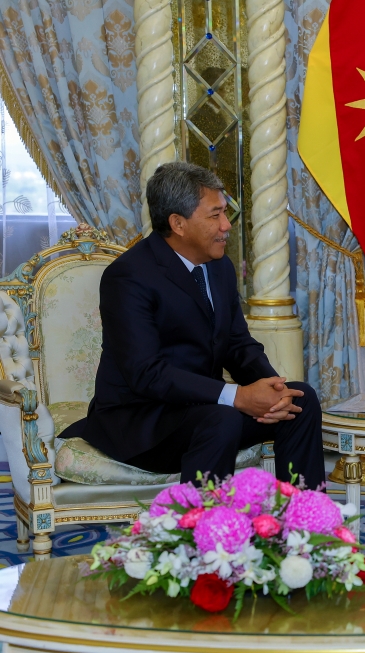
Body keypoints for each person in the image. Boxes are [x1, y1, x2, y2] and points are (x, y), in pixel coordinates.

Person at [61, 162, 326, 489]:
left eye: (225, 212)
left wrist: (273, 390)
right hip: (144, 423)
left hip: (203, 411)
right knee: (221, 418)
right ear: (178, 224)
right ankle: (203, 520)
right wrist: (237, 396)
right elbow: (146, 373)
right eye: (215, 215)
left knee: (300, 401)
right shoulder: (128, 277)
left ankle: (302, 511)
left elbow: (237, 344)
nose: (227, 225)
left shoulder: (219, 267)